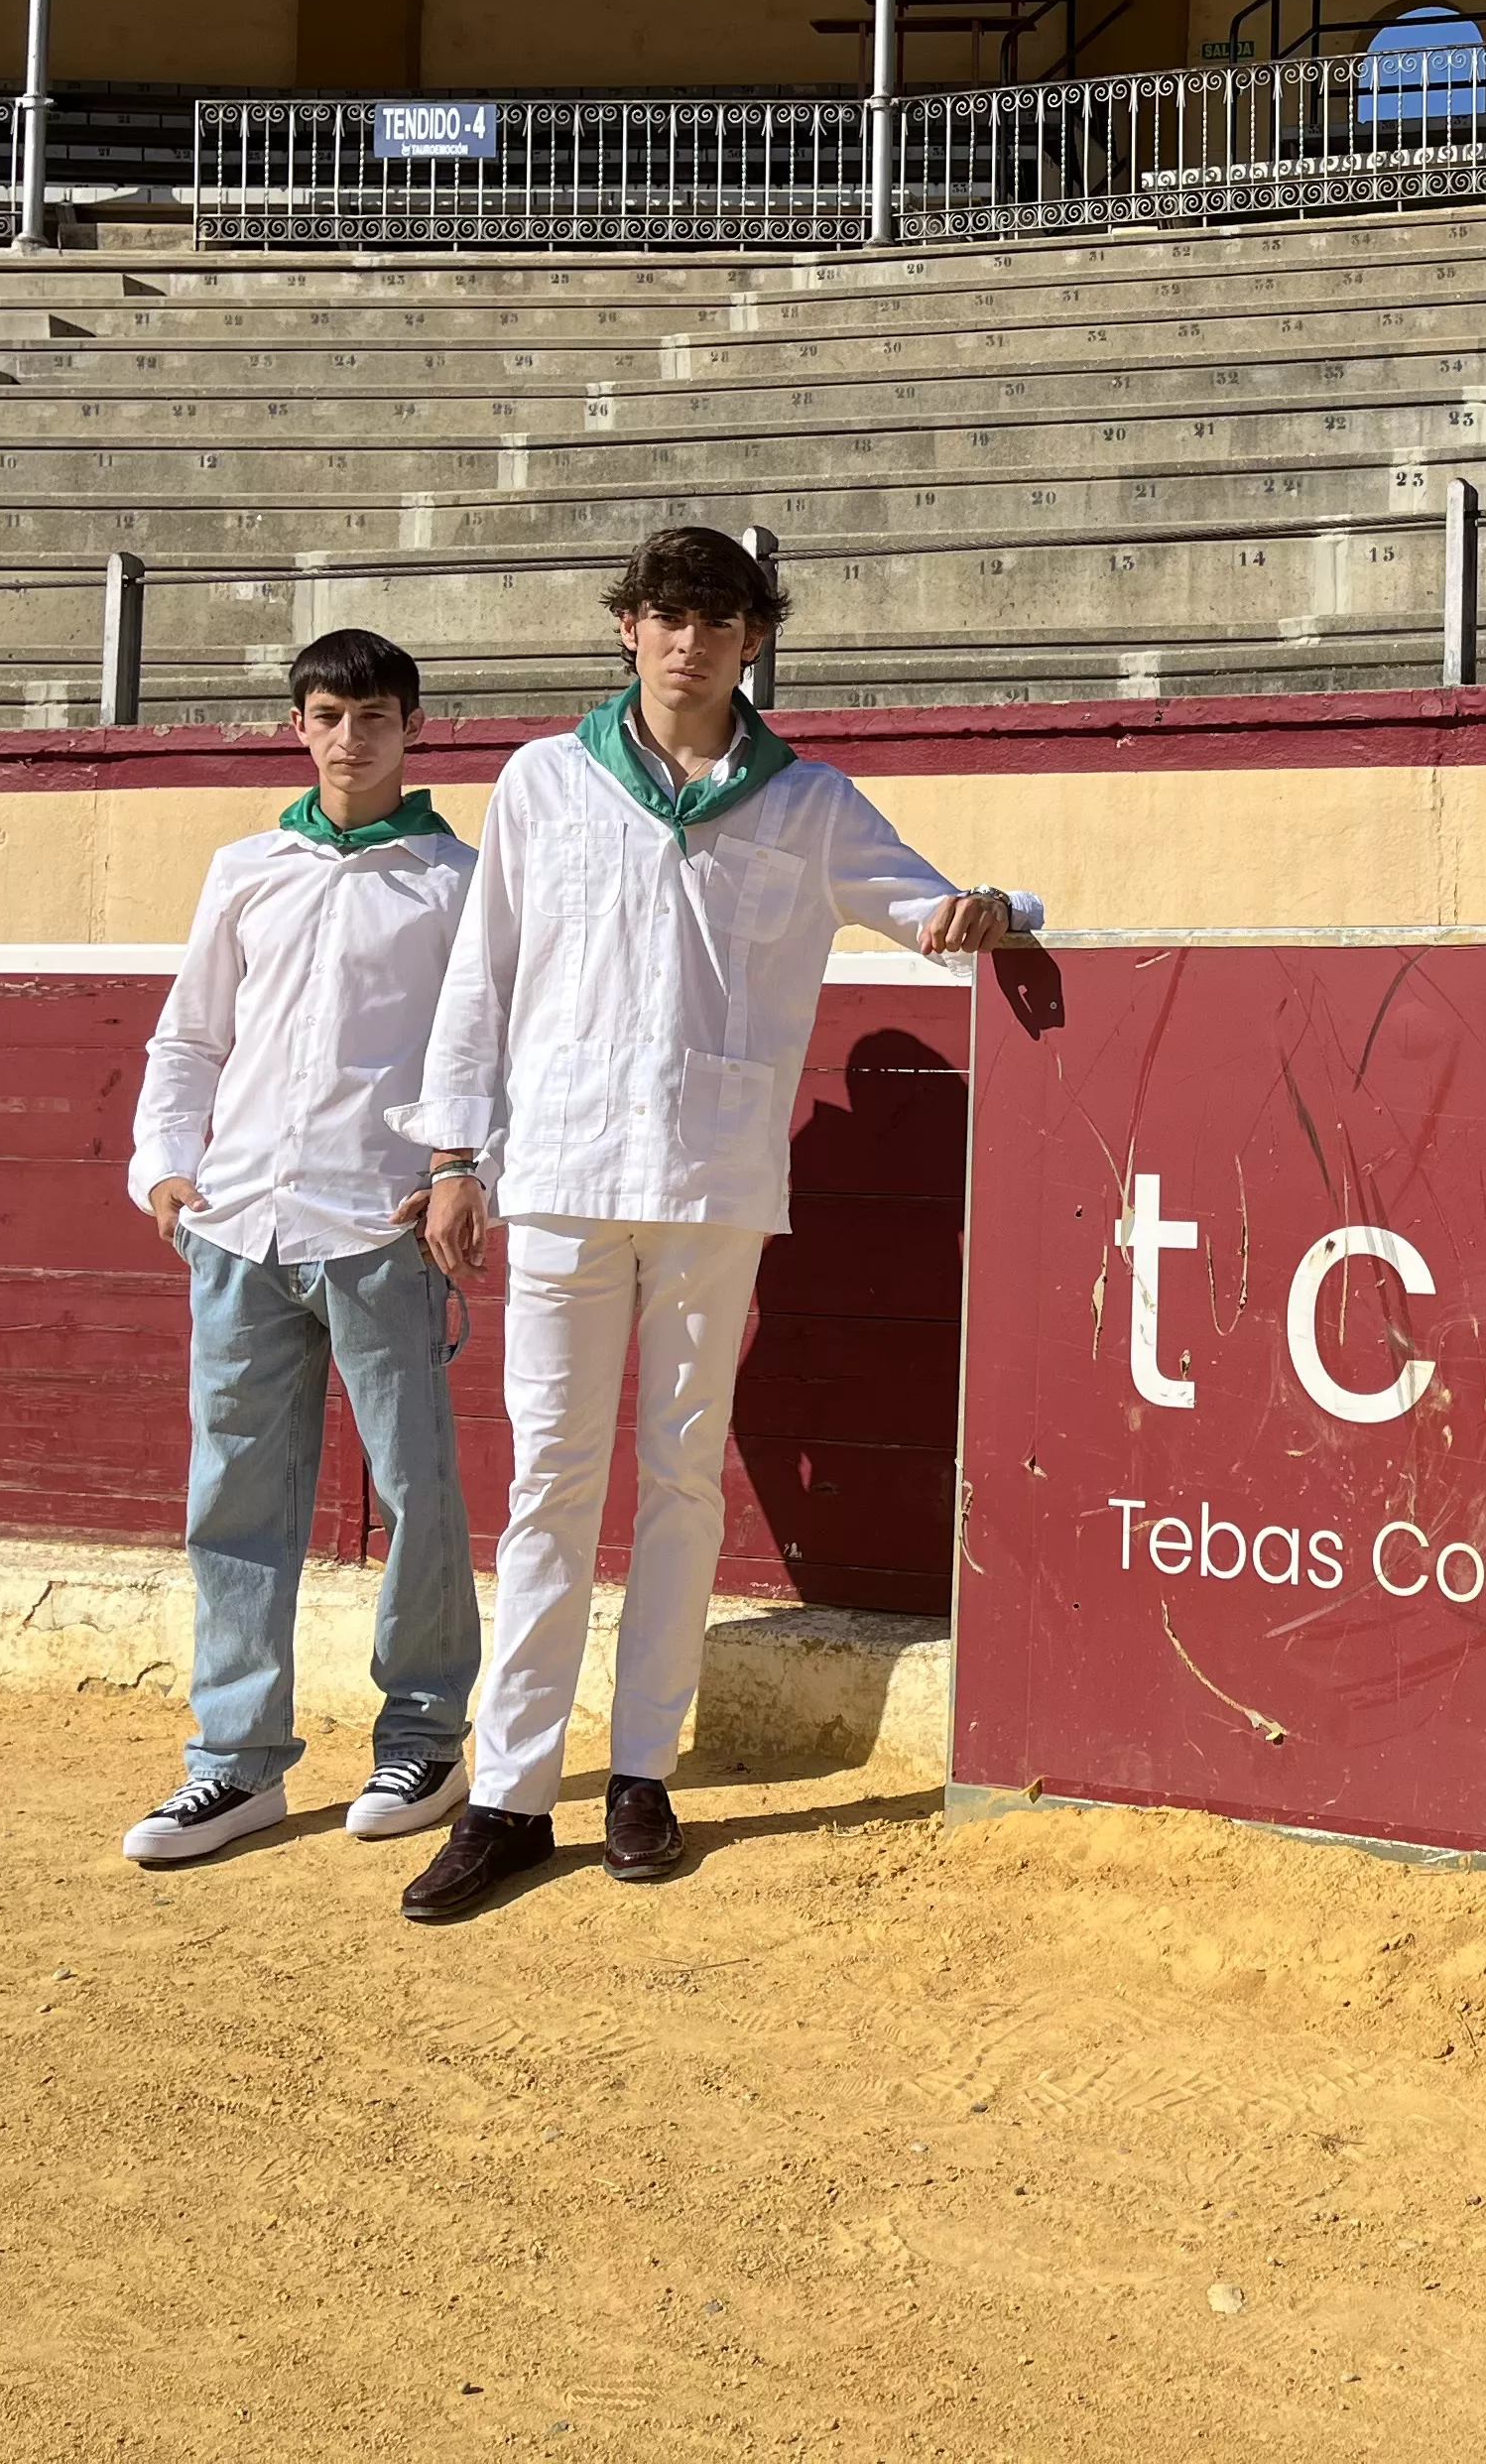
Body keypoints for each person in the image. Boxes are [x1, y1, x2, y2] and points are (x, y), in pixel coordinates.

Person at [392, 527, 1040, 1923]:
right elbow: (481, 979)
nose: (690, 643)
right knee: (551, 1486)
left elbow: (933, 909)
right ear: (627, 628)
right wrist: (453, 1153)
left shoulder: (807, 802)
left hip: (711, 1181)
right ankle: (511, 1794)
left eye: (720, 622)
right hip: (560, 1173)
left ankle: (642, 1770)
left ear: (755, 642)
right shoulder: (545, 781)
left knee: (682, 1479)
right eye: (668, 616)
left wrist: (1000, 910)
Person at [121, 627, 483, 1865]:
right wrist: (164, 1164)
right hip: (237, 1224)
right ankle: (234, 1764)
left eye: (374, 716)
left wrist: (462, 1170)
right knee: (231, 1493)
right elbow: (191, 1036)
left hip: (379, 1223)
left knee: (415, 1490)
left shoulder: (457, 880)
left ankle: (426, 1735)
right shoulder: (245, 868)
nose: (350, 737)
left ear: (414, 727)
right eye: (329, 715)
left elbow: (488, 1046)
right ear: (299, 726)